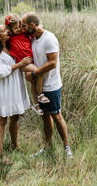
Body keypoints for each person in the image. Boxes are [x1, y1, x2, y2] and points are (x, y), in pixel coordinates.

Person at [21, 12, 73, 158]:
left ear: (32, 25)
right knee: (45, 117)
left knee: (56, 116)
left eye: (24, 26)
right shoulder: (32, 38)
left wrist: (34, 73)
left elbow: (52, 63)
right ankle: (47, 147)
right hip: (39, 84)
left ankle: (67, 147)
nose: (23, 29)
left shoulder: (49, 38)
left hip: (51, 84)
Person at [0, 23, 31, 163]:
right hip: (3, 88)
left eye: (6, 29)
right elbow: (0, 72)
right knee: (2, 119)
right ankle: (0, 154)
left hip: (15, 85)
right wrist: (19, 64)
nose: (7, 32)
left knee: (15, 116)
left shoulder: (11, 45)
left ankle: (14, 145)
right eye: (4, 31)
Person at [4, 14, 49, 115]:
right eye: (15, 28)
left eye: (20, 26)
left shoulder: (24, 33)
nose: (19, 29)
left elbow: (36, 28)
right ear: (10, 29)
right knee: (39, 71)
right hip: (22, 63)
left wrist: (40, 27)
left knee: (33, 81)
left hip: (30, 61)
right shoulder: (10, 38)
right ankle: (40, 95)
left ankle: (36, 105)